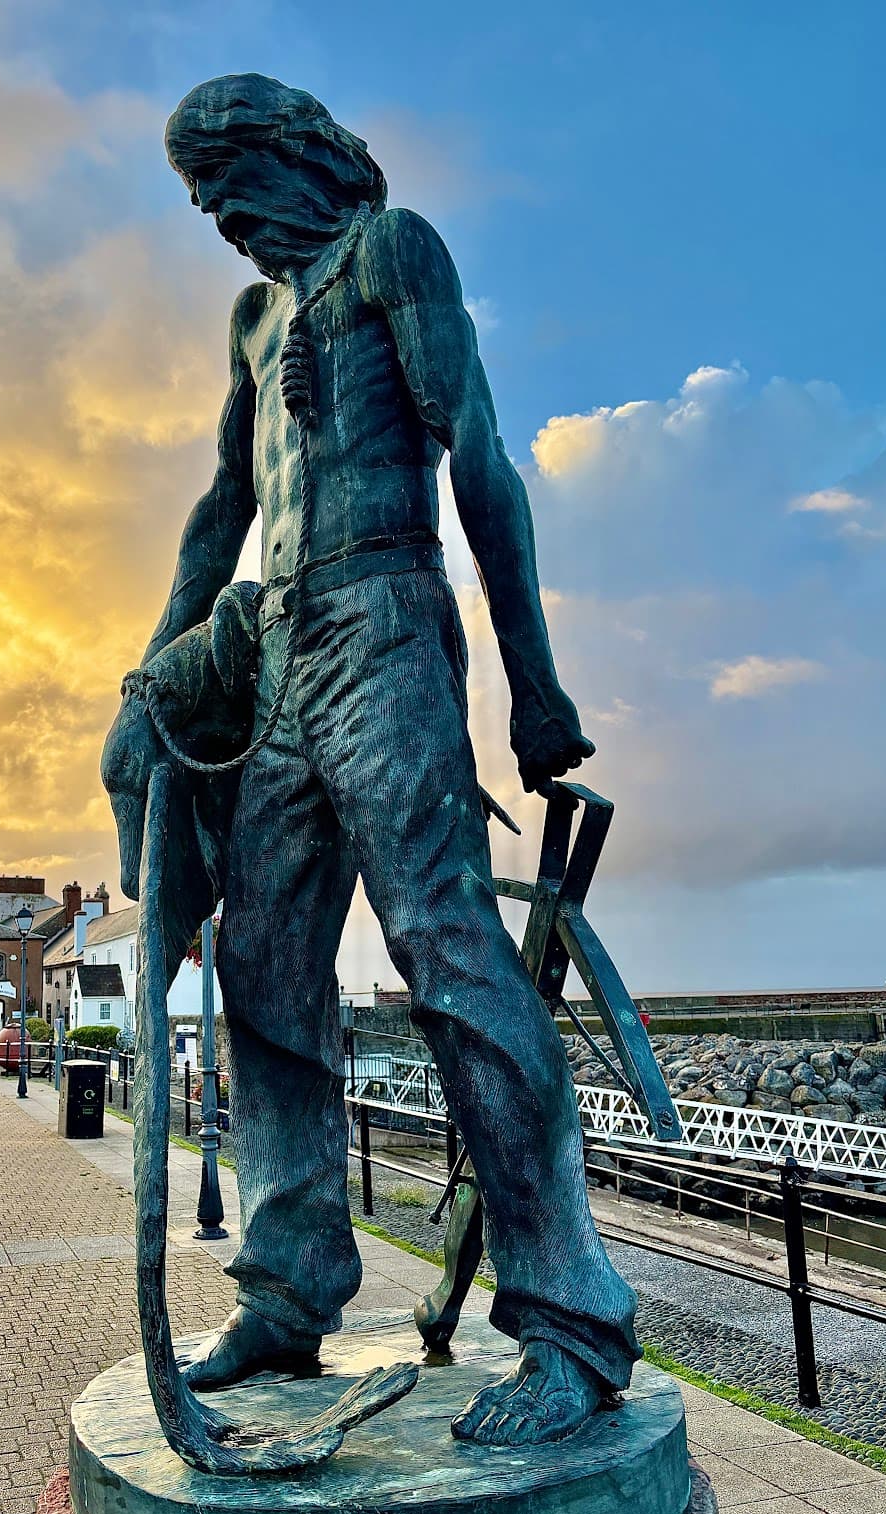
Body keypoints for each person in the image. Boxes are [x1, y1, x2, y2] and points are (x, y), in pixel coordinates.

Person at [105, 74, 641, 1444]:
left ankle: (571, 1318)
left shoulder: (391, 252)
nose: (215, 216)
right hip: (273, 649)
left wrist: (533, 683)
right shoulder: (251, 317)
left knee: (446, 947)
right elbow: (222, 505)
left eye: (222, 179)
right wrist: (147, 674)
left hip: (389, 620)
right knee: (264, 964)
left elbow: (483, 460)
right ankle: (289, 1287)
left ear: (290, 155)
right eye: (196, 195)